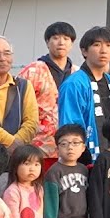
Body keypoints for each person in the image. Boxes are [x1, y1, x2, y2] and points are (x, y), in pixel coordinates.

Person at [58, 27, 110, 164]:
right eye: (97, 45)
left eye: (109, 45)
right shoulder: (74, 84)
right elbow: (69, 125)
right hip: (84, 159)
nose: (103, 50)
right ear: (84, 50)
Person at [18, 21, 77, 168]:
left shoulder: (78, 74)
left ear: (72, 44)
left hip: (71, 148)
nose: (61, 42)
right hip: (38, 146)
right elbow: (16, 103)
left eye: (66, 38)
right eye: (56, 38)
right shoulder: (33, 70)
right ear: (47, 42)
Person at [43, 124, 91, 218]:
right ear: (57, 149)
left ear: (83, 147)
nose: (70, 148)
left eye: (75, 143)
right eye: (64, 144)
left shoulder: (84, 170)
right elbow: (49, 202)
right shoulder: (54, 172)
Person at [2, 145, 46, 218]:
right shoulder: (13, 191)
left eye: (36, 164)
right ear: (15, 167)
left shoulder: (39, 189)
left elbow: (40, 214)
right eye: (27, 164)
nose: (32, 169)